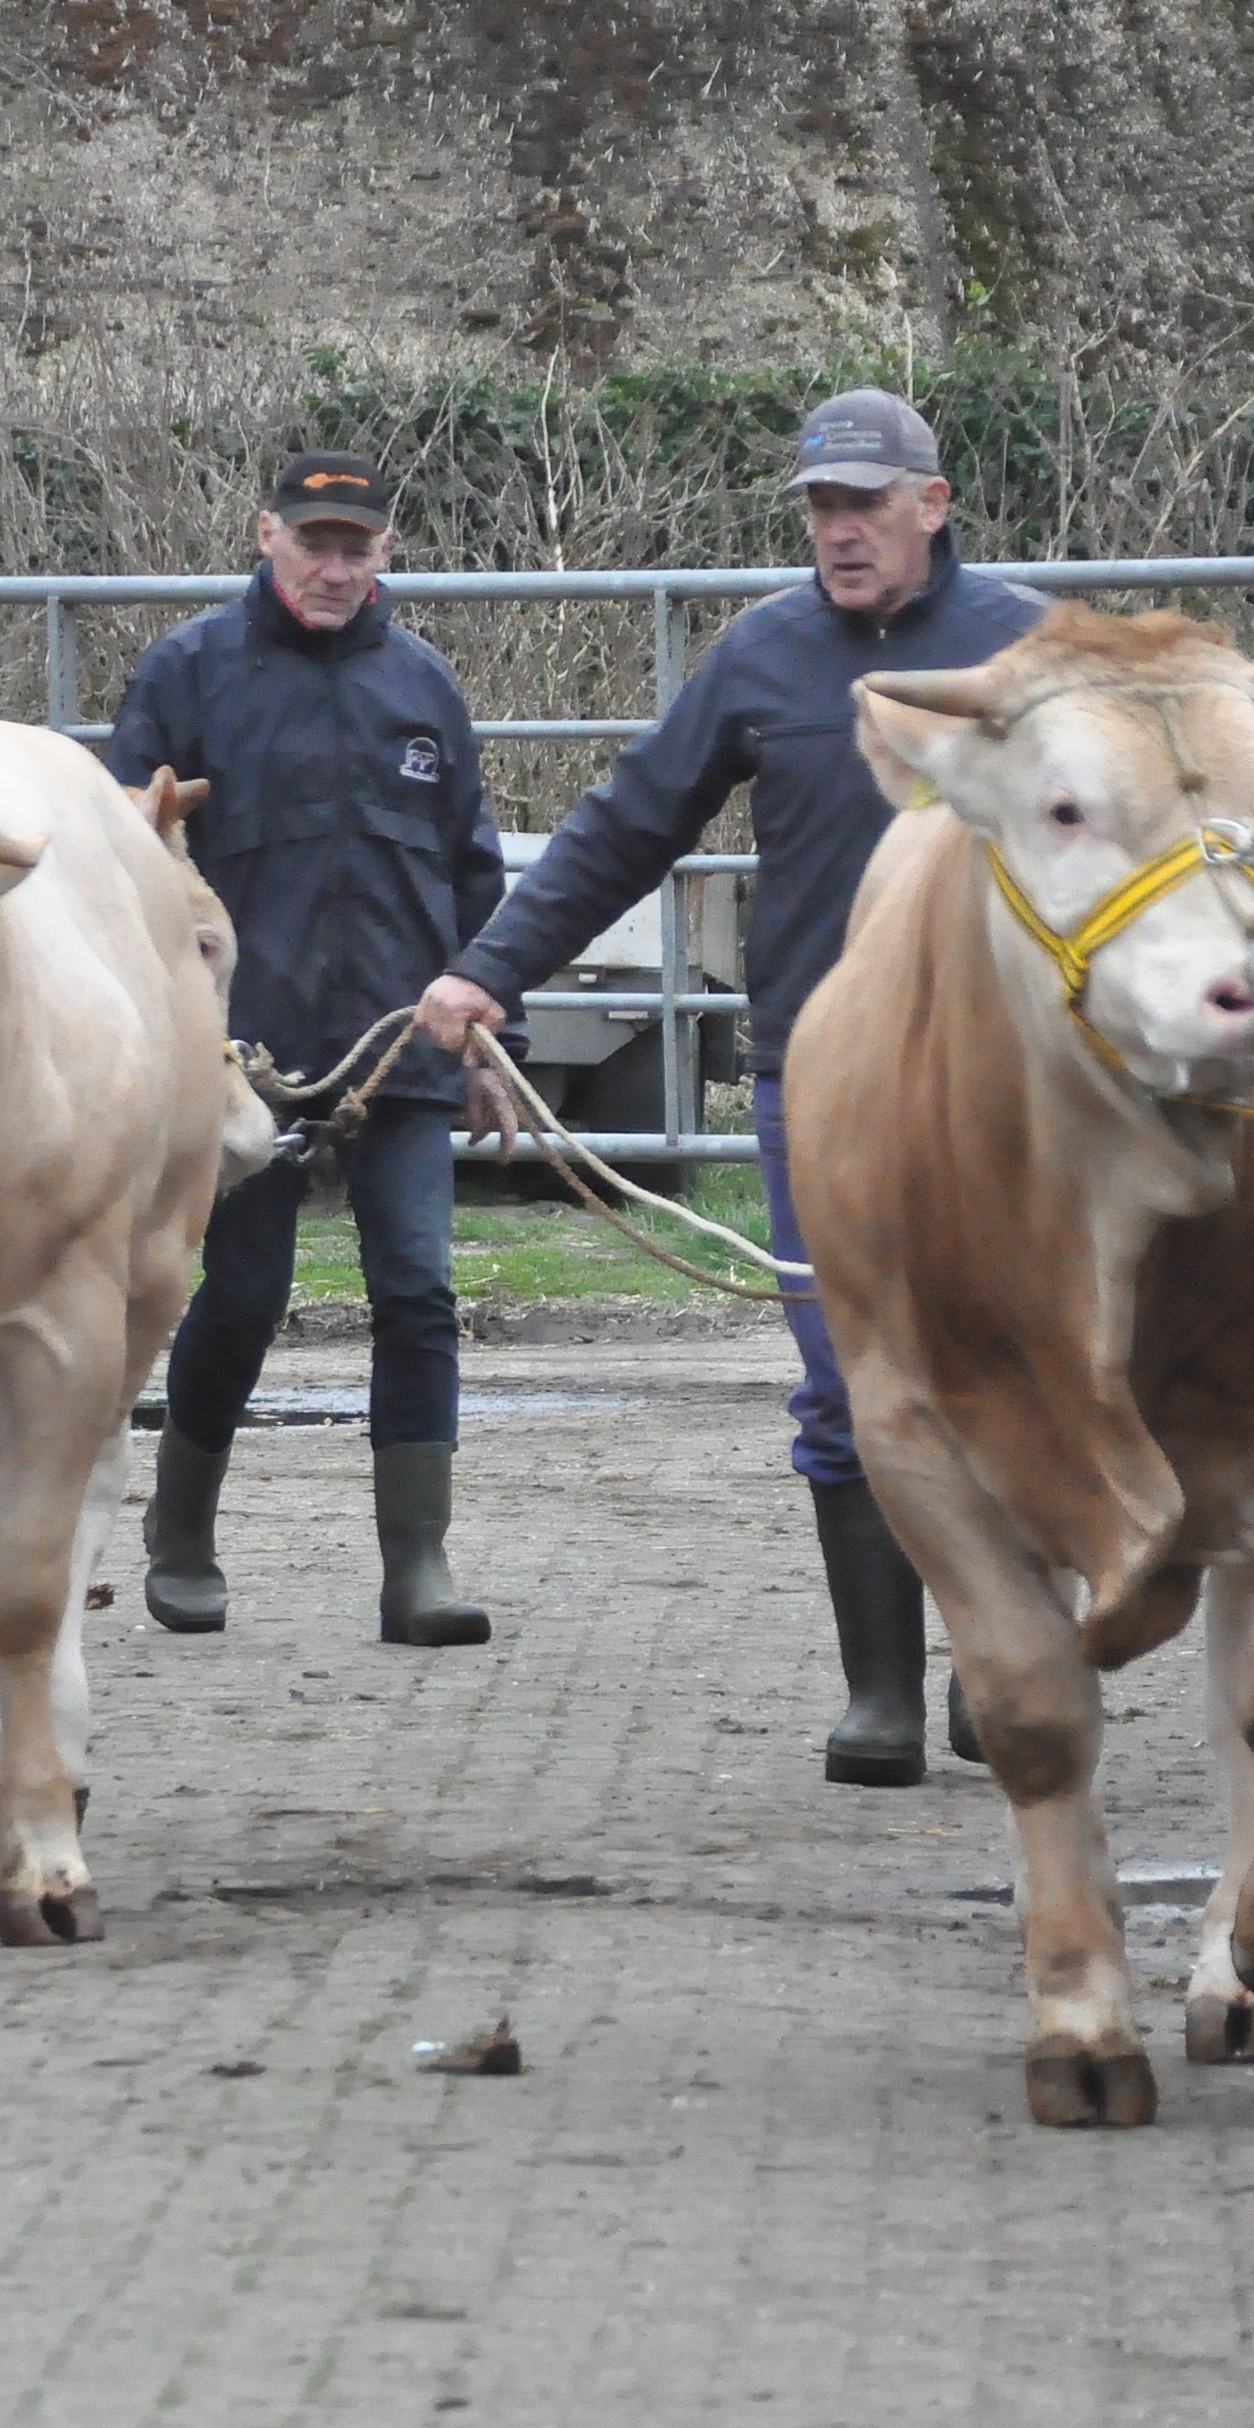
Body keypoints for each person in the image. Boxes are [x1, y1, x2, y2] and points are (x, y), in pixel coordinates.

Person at [411, 388, 1047, 1786]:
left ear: (929, 506)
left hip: (1006, 1081)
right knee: (847, 1386)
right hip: (820, 1080)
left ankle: (1001, 1662)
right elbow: (625, 828)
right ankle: (880, 1692)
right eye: (818, 508)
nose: (837, 532)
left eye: (863, 505)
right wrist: (486, 971)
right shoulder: (760, 656)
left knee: (1006, 1376)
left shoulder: (1028, 647)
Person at [108, 450, 527, 1647]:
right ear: (266, 537)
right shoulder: (190, 674)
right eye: (314, 543)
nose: (335, 566)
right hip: (246, 1053)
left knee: (419, 1288)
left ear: (387, 550)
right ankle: (180, 1532)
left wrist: (493, 1033)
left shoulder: (423, 685)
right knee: (242, 1293)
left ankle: (418, 1566)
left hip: (401, 1038)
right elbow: (123, 855)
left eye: (357, 545)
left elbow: (474, 873)